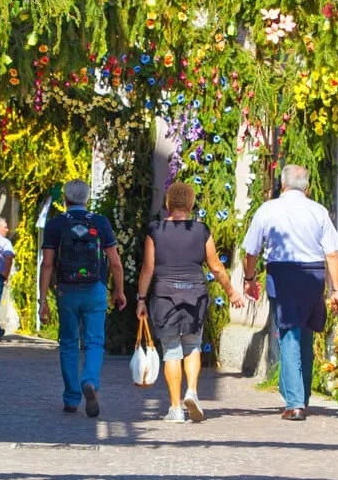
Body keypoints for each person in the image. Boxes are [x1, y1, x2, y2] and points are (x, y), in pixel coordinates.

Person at [241, 164, 338, 421]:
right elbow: (332, 253)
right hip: (313, 275)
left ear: (282, 185)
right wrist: (336, 290)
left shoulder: (268, 210)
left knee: (288, 333)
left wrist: (250, 279)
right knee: (305, 332)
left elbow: (251, 250)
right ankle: (300, 395)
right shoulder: (318, 211)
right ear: (306, 187)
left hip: (282, 274)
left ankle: (295, 402)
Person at [136, 182, 245, 423]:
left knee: (172, 351)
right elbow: (215, 266)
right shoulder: (201, 230)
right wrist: (232, 292)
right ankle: (192, 392)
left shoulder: (155, 230)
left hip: (164, 295)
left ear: (168, 204)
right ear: (191, 204)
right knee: (193, 346)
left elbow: (148, 268)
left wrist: (141, 299)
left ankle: (175, 408)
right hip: (195, 293)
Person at [39, 179, 127, 417]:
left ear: (65, 200)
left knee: (68, 343)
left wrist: (43, 300)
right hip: (95, 289)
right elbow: (116, 262)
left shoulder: (56, 224)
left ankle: (70, 398)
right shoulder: (99, 222)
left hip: (66, 291)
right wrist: (118, 291)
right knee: (95, 342)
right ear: (87, 199)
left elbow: (47, 264)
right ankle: (89, 381)